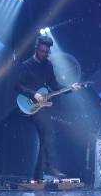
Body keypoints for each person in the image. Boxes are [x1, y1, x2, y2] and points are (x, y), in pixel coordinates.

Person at [14, 35, 81, 180]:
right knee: (48, 130)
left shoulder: (48, 66)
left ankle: (37, 176)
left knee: (46, 137)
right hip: (27, 105)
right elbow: (17, 85)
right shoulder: (26, 65)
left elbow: (55, 86)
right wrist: (33, 94)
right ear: (36, 47)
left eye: (46, 52)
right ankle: (50, 166)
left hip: (42, 107)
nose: (44, 54)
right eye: (42, 50)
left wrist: (70, 88)